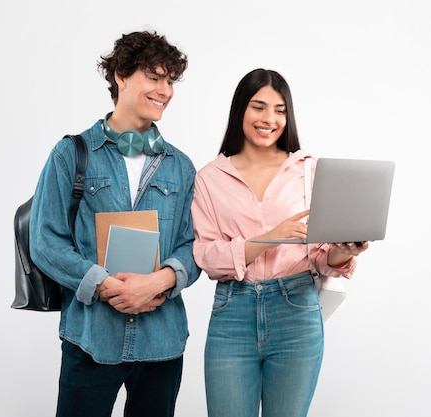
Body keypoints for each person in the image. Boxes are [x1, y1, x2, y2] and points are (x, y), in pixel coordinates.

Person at [29, 30, 201, 417]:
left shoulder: (181, 166)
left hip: (162, 343)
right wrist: (105, 286)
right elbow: (45, 240)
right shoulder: (71, 154)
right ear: (121, 75)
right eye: (154, 77)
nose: (165, 90)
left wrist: (159, 282)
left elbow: (194, 245)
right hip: (91, 337)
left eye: (170, 80)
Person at [191, 68, 369, 417]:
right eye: (258, 107)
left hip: (297, 312)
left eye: (280, 110)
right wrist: (270, 237)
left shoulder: (307, 170)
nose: (269, 119)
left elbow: (319, 255)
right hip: (233, 314)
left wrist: (340, 253)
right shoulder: (210, 178)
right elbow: (206, 255)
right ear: (240, 109)